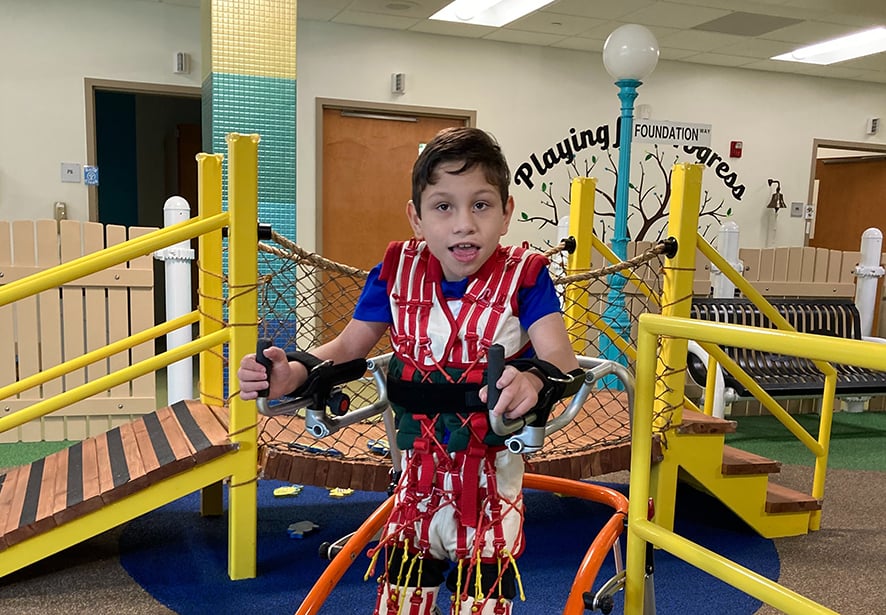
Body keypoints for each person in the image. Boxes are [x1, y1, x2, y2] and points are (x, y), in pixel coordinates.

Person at [238, 127, 582, 615]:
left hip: (488, 484)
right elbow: (346, 347)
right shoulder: (397, 271)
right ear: (416, 218)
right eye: (443, 207)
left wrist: (532, 380)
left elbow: (561, 362)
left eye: (481, 205)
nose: (464, 224)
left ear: (506, 213)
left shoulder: (525, 276)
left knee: (480, 604)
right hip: (415, 480)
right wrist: (293, 373)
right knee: (398, 601)